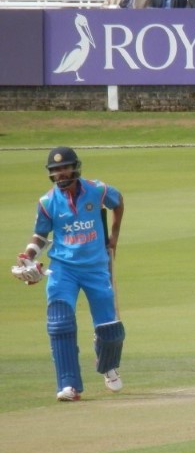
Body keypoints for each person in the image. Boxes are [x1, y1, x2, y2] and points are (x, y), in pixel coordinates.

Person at [11, 147, 125, 402]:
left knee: (110, 329)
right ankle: (69, 385)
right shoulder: (47, 202)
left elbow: (117, 203)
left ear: (76, 167)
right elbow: (40, 236)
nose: (61, 174)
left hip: (96, 266)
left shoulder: (97, 190)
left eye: (65, 168)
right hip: (63, 268)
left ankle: (108, 365)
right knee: (60, 323)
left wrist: (114, 236)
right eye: (55, 170)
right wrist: (29, 255)